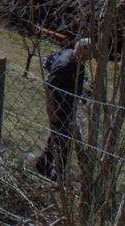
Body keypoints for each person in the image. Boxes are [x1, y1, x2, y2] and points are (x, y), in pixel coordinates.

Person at [33, 38, 94, 180]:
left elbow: (76, 83)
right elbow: (49, 86)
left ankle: (42, 165)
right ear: (81, 51)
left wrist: (80, 96)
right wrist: (51, 110)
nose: (89, 59)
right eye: (88, 55)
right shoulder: (65, 64)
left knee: (56, 139)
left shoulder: (78, 62)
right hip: (59, 107)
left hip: (68, 106)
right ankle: (58, 177)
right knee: (63, 144)